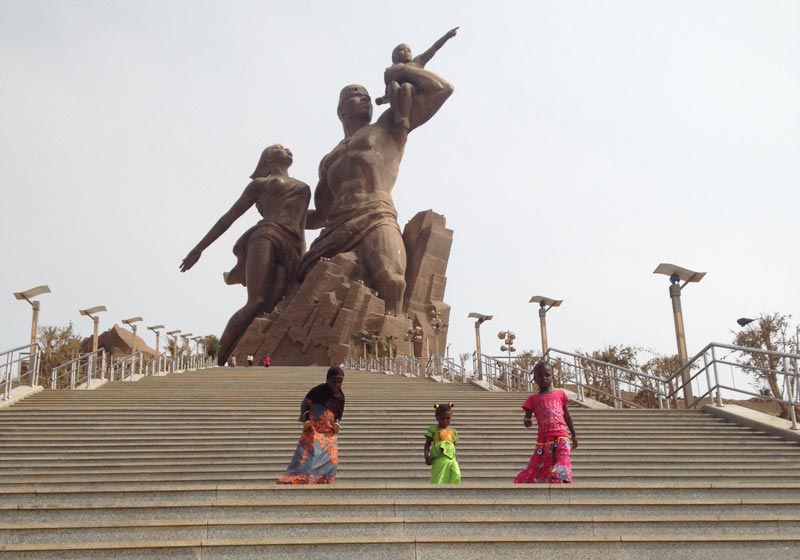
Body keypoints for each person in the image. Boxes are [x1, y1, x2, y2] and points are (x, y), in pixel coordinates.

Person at [298, 45, 455, 317]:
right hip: (336, 226)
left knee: (392, 280)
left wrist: (401, 69)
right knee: (302, 286)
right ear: (341, 109)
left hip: (376, 214)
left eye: (368, 98)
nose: (365, 100)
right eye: (356, 96)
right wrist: (283, 218)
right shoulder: (329, 160)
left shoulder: (388, 126)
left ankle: (392, 338)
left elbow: (442, 89)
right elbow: (320, 215)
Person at [180, 144, 311, 366]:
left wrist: (303, 256)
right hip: (267, 234)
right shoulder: (260, 184)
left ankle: (253, 357)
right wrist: (198, 249)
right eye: (280, 148)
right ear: (269, 159)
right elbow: (229, 217)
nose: (288, 149)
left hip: (294, 245)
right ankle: (215, 360)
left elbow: (304, 222)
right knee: (256, 302)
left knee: (273, 307)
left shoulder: (304, 187)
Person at [375, 27, 458, 129]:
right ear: (394, 57)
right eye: (402, 50)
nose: (406, 52)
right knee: (393, 85)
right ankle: (397, 114)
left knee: (406, 86)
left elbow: (433, 48)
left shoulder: (416, 62)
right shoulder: (391, 71)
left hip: (412, 91)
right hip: (396, 94)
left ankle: (405, 117)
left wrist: (446, 37)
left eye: (408, 50)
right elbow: (389, 93)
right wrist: (382, 100)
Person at [277, 366, 345, 484]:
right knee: (309, 457)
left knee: (331, 459)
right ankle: (301, 478)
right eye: (334, 381)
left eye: (339, 382)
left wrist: (337, 423)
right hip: (314, 429)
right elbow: (305, 405)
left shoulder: (340, 396)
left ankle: (323, 479)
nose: (336, 385)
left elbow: (338, 413)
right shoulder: (317, 391)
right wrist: (305, 419)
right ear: (327, 380)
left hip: (329, 433)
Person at [514, 362, 578, 484]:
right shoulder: (532, 399)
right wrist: (527, 421)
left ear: (553, 377)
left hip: (561, 435)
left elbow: (567, 415)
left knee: (563, 457)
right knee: (541, 463)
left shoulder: (560, 394)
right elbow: (527, 417)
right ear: (534, 378)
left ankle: (563, 478)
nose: (544, 378)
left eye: (547, 375)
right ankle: (546, 480)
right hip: (544, 439)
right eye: (540, 375)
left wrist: (573, 435)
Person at [424, 402, 461, 484]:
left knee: (457, 474)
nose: (445, 421)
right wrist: (426, 456)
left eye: (448, 418)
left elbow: (453, 447)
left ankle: (453, 489)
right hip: (439, 458)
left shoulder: (453, 432)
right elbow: (427, 445)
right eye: (442, 419)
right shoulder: (433, 429)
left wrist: (456, 459)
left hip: (451, 458)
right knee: (439, 478)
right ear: (437, 418)